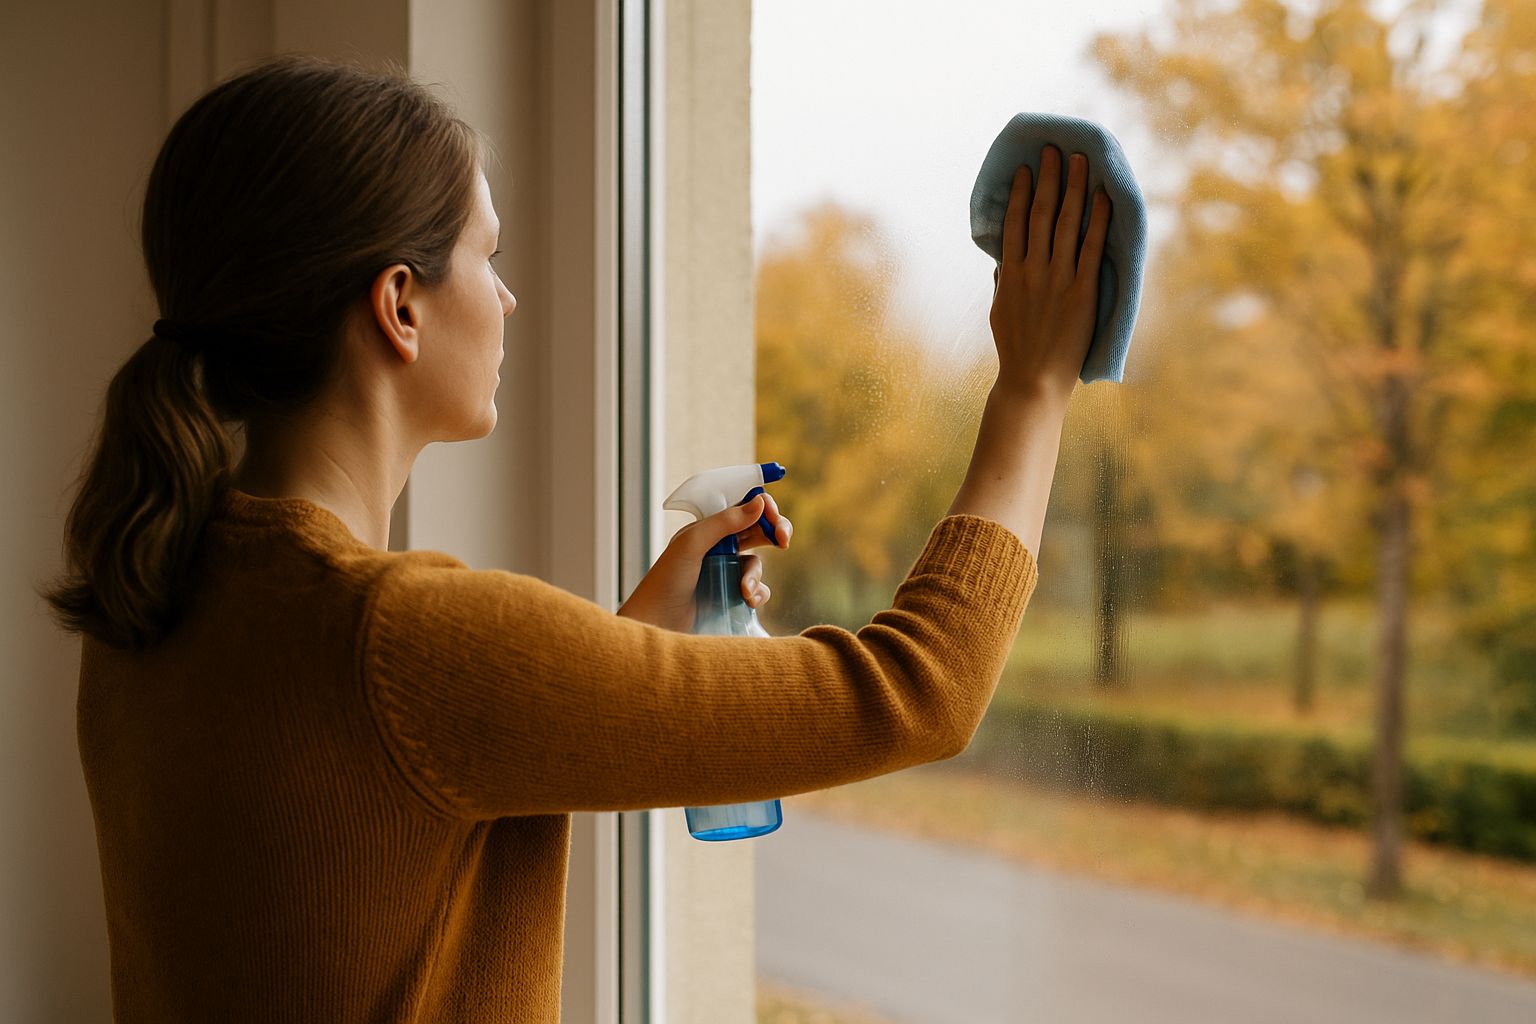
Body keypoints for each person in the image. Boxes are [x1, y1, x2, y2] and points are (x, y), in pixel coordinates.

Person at [41, 53, 1108, 1023]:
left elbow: (382, 820)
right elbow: (923, 691)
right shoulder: (405, 641)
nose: (507, 298)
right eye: (486, 256)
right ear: (400, 307)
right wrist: (1034, 384)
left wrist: (638, 630)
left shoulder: (154, 597)